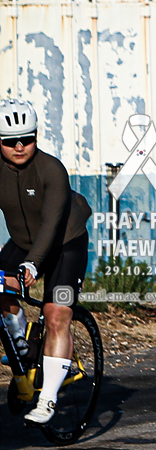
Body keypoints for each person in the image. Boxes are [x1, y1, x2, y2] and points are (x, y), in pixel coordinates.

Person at [0, 102, 92, 426]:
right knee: (1, 288)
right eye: (10, 141)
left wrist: (32, 265)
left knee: (56, 314)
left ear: (36, 136)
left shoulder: (51, 170)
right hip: (23, 243)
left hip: (66, 245)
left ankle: (48, 399)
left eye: (26, 139)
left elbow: (51, 225)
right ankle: (22, 346)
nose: (19, 146)